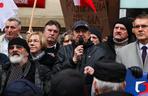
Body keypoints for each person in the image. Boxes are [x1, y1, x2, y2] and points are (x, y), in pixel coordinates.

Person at [52, 20, 108, 95]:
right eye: (78, 31)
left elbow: (105, 75)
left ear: (89, 34)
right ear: (72, 34)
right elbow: (56, 72)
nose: (81, 34)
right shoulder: (63, 50)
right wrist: (72, 60)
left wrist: (94, 72)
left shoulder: (100, 52)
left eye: (84, 31)